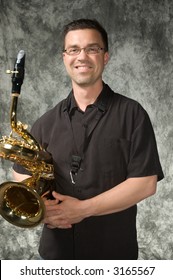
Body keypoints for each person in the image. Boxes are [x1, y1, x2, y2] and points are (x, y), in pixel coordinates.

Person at [13, 18, 164, 260]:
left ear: (105, 57)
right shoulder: (45, 121)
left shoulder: (133, 114)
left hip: (113, 255)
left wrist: (82, 210)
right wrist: (43, 208)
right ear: (65, 58)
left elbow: (145, 183)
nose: (81, 56)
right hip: (56, 256)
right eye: (73, 49)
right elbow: (20, 172)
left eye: (92, 48)